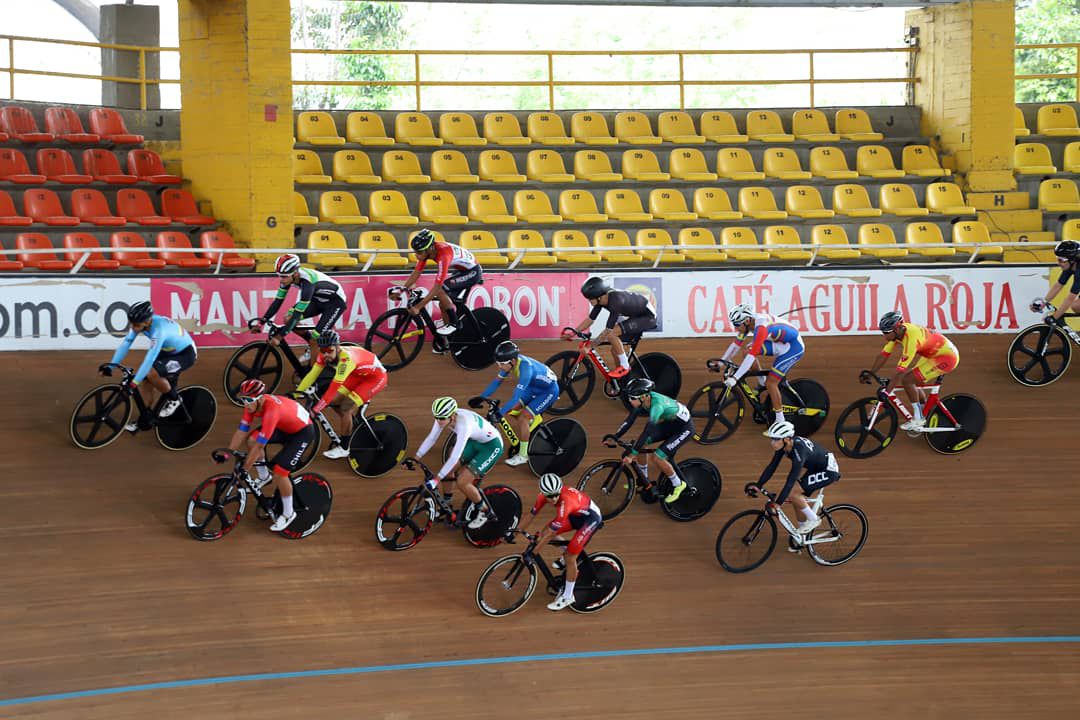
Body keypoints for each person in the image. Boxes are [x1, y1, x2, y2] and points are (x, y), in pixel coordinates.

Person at [216, 378, 317, 533]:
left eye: (249, 400)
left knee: (280, 472)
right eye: (243, 399)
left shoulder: (271, 410)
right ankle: (264, 477)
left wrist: (245, 468)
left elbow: (260, 446)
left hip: (302, 433)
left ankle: (289, 513)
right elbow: (241, 431)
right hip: (285, 426)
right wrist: (227, 454)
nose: (245, 404)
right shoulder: (251, 406)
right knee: (251, 439)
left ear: (260, 398)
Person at [102, 301, 198, 433]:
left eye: (136, 325)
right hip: (168, 351)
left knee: (152, 373)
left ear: (147, 322)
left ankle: (175, 399)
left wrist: (134, 383)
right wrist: (111, 366)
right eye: (131, 323)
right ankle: (145, 417)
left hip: (185, 354)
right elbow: (126, 344)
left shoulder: (159, 330)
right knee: (146, 382)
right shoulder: (142, 323)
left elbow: (149, 359)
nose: (133, 327)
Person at [293, 330, 388, 459]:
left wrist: (316, 410)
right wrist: (296, 395)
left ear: (338, 348)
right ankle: (351, 424)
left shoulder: (346, 360)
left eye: (330, 351)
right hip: (357, 374)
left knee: (345, 408)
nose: (326, 355)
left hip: (374, 378)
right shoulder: (324, 354)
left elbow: (332, 389)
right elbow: (311, 375)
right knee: (334, 401)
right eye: (323, 351)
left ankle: (344, 448)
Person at [516, 473, 603, 612]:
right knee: (544, 533)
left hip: (590, 519)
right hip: (576, 514)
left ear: (560, 489)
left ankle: (568, 596)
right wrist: (515, 532)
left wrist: (532, 554)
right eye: (550, 496)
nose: (554, 499)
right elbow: (531, 514)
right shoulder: (542, 497)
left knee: (570, 556)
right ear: (543, 493)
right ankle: (567, 553)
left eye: (556, 494)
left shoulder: (565, 501)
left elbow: (551, 533)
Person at [414, 396, 504, 530]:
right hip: (475, 442)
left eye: (442, 418)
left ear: (452, 416)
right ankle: (447, 504)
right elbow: (432, 438)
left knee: (462, 482)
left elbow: (456, 456)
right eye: (436, 417)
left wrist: (437, 479)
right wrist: (416, 458)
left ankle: (484, 512)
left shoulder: (464, 425)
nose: (438, 421)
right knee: (448, 469)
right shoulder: (443, 416)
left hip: (491, 446)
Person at [865, 311, 959, 431]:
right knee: (916, 380)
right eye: (883, 332)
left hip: (947, 357)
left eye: (887, 333)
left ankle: (919, 419)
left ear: (897, 328)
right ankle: (925, 411)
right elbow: (884, 355)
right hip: (933, 353)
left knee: (908, 380)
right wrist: (871, 373)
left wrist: (887, 393)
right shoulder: (897, 334)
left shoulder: (911, 339)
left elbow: (899, 371)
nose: (885, 336)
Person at [747, 420, 841, 540]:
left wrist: (778, 504)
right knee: (795, 497)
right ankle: (802, 537)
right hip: (816, 466)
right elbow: (772, 467)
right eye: (772, 438)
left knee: (793, 492)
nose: (772, 442)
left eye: (775, 439)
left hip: (828, 470)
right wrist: (758, 484)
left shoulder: (799, 451)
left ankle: (814, 519)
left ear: (786, 439)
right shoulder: (785, 446)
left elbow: (791, 480)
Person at [393, 228, 482, 353]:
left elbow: (437, 287)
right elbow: (416, 272)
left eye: (419, 252)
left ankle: (455, 324)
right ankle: (448, 342)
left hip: (472, 272)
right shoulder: (428, 252)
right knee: (443, 303)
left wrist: (418, 307)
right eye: (415, 252)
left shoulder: (443, 255)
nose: (416, 255)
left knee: (442, 290)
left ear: (430, 249)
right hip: (462, 270)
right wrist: (402, 289)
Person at [605, 377, 693, 504]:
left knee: (657, 457)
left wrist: (632, 455)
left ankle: (678, 484)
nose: (630, 401)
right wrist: (615, 437)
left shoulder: (657, 406)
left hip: (684, 429)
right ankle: (643, 479)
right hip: (670, 424)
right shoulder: (644, 400)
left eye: (633, 398)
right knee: (641, 445)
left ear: (645, 396)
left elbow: (647, 432)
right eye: (629, 397)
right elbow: (629, 420)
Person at [252, 253, 347, 365]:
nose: (281, 280)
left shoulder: (308, 284)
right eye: (279, 275)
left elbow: (297, 315)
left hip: (335, 303)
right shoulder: (289, 278)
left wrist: (279, 336)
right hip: (318, 299)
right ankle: (312, 346)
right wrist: (261, 322)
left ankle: (314, 378)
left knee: (315, 339)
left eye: (284, 276)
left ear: (296, 274)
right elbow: (277, 302)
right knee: (288, 318)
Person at [479, 340, 560, 467]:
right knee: (512, 410)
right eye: (497, 363)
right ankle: (534, 420)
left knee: (523, 418)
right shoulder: (511, 362)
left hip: (548, 391)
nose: (499, 366)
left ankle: (523, 455)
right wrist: (481, 397)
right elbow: (497, 382)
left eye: (501, 364)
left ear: (512, 361)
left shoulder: (526, 370)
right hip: (533, 387)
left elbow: (516, 397)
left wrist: (500, 413)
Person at [720, 303, 804, 424]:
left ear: (747, 321)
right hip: (780, 342)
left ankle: (780, 421)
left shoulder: (761, 328)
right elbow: (736, 344)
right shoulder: (749, 323)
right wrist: (722, 361)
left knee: (771, 383)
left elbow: (751, 357)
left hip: (792, 348)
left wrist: (735, 378)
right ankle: (762, 385)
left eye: (737, 325)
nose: (736, 328)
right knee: (747, 350)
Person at [567, 277, 656, 377]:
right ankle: (621, 380)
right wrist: (574, 332)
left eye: (590, 298)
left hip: (647, 317)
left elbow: (608, 331)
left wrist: (590, 346)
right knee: (615, 349)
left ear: (599, 296)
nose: (589, 301)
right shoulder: (601, 301)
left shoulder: (615, 301)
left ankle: (625, 367)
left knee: (612, 334)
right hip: (637, 316)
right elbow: (590, 320)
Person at [1031, 240, 1080, 324]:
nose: (1058, 263)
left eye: (1061, 260)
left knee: (1076, 305)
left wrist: (1054, 317)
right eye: (1058, 259)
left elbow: (1070, 298)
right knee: (1076, 306)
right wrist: (1044, 302)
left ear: (1072, 260)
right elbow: (1058, 285)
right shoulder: (1070, 266)